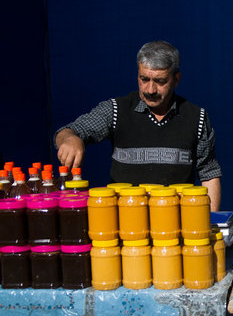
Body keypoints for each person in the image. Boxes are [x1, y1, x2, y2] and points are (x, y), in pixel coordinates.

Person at [54, 40, 222, 210]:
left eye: (160, 81)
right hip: (124, 223)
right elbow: (70, 131)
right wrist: (69, 138)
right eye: (144, 79)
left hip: (176, 224)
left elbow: (209, 174)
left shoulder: (196, 117)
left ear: (176, 79)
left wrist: (209, 222)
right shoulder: (116, 110)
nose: (150, 89)